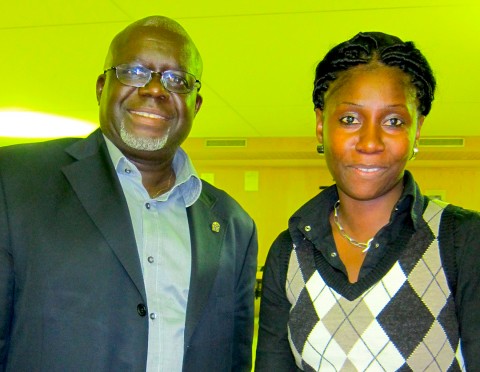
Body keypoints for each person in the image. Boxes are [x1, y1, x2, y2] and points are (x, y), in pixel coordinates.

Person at [0, 16, 258, 371]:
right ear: (101, 87)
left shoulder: (233, 226)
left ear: (195, 105)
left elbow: (234, 359)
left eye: (176, 80)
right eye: (134, 72)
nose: (154, 89)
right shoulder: (15, 183)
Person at [255, 32, 480, 371]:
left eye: (393, 121)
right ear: (320, 125)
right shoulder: (289, 252)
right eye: (350, 119)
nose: (370, 142)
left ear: (416, 131)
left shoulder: (463, 241)